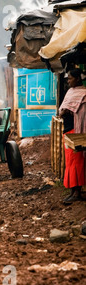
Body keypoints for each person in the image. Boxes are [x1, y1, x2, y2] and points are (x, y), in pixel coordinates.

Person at [59, 68, 86, 204]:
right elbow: (62, 110)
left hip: (77, 131)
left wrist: (66, 111)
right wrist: (64, 111)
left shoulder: (84, 93)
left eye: (70, 78)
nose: (68, 81)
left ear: (78, 79)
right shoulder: (70, 92)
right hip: (68, 130)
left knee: (77, 162)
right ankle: (72, 191)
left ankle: (77, 192)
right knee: (70, 162)